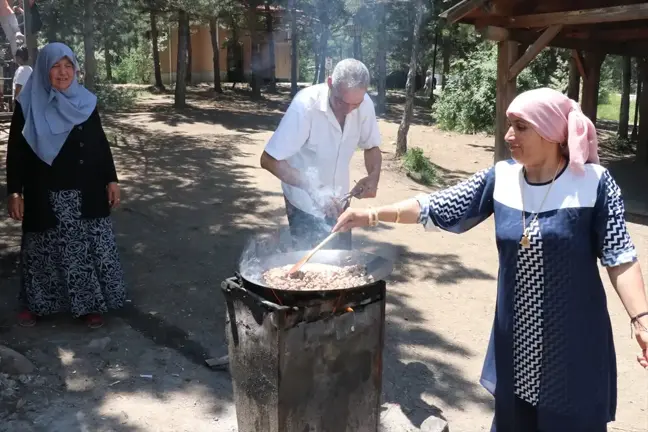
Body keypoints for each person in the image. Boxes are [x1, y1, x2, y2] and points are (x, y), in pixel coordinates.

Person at [333, 87, 648, 432]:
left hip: (573, 348)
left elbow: (620, 255)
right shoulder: (502, 178)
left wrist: (641, 319)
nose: (508, 135)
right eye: (509, 124)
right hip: (516, 345)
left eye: (521, 126)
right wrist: (372, 215)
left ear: (552, 132)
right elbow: (435, 205)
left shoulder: (593, 184)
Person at [6, 42, 126, 329]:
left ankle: (88, 306)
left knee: (84, 252)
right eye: (56, 67)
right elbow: (16, 152)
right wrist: (14, 191)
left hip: (86, 189)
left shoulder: (85, 101)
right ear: (45, 69)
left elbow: (100, 144)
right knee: (41, 253)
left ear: (75, 69)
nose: (63, 73)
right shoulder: (28, 105)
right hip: (44, 192)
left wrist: (112, 179)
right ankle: (37, 305)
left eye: (68, 66)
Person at [260, 58, 382, 250]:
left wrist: (374, 176)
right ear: (330, 83)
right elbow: (269, 160)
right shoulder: (305, 106)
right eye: (342, 102)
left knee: (341, 264)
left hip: (340, 202)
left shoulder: (364, 104)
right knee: (307, 266)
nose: (348, 111)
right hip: (304, 203)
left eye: (355, 105)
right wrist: (313, 188)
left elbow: (372, 147)